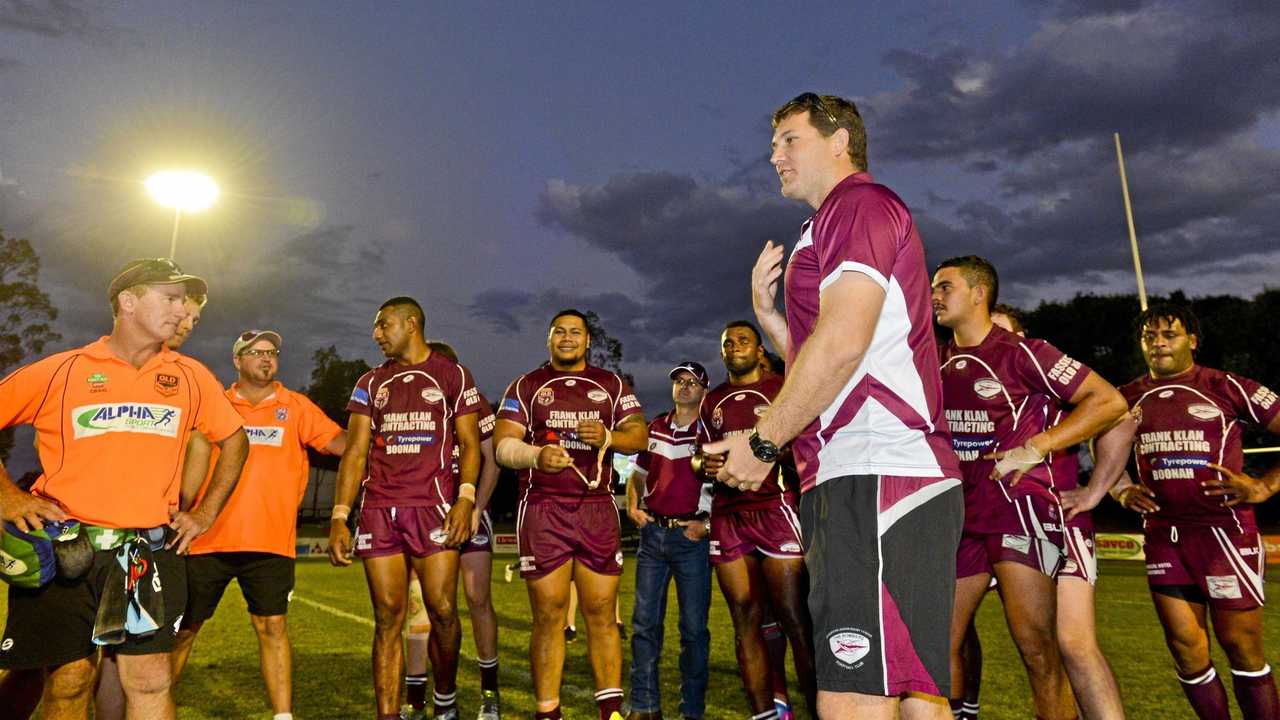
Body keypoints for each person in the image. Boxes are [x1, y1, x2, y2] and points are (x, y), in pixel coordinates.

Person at [710, 92, 963, 719]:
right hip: (873, 472)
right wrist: (772, 319)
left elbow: (846, 342)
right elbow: (834, 352)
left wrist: (764, 443)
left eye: (788, 139)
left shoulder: (858, 204)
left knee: (851, 691)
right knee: (911, 688)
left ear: (839, 141)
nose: (773, 156)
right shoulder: (826, 223)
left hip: (879, 469)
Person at [0, 257, 248, 720]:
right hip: (69, 549)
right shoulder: (64, 369)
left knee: (152, 680)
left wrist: (206, 513)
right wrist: (10, 497)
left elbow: (234, 440)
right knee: (70, 679)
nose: (181, 310)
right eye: (169, 297)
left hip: (148, 551)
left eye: (183, 300)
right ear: (128, 302)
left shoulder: (191, 376)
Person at [931, 256, 1128, 720]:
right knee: (936, 645)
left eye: (945, 286)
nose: (934, 295)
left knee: (1037, 649)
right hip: (960, 515)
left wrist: (1038, 446)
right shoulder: (934, 359)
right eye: (933, 288)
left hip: (1016, 510)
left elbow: (1110, 402)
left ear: (979, 294)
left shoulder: (1024, 352)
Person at [1103, 305, 1280, 718]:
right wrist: (1120, 488)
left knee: (1240, 645)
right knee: (1187, 651)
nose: (1159, 343)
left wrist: (1264, 486)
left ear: (1192, 341)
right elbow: (1101, 444)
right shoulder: (1126, 397)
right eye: (1150, 337)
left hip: (1223, 534)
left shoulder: (1225, 386)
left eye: (1170, 335)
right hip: (1164, 536)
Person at [170, 329, 346, 720]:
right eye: (255, 352)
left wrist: (386, 436)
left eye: (272, 352)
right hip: (205, 539)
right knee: (183, 631)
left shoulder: (295, 407)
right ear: (237, 360)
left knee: (272, 628)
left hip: (269, 543)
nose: (266, 359)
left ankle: (283, 716)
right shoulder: (214, 405)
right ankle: (155, 706)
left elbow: (344, 445)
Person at [327, 297, 482, 720]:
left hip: (433, 508)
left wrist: (465, 499)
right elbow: (355, 452)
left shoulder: (452, 375)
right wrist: (341, 515)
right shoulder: (370, 381)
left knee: (444, 612)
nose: (377, 334)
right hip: (379, 510)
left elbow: (471, 445)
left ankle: (445, 701)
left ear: (411, 324)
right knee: (387, 618)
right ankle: (388, 715)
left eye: (384, 325)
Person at [493, 308, 647, 720]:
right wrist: (536, 455)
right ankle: (548, 713)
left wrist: (611, 435)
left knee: (601, 613)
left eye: (575, 332)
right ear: (548, 339)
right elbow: (503, 445)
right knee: (549, 615)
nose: (566, 338)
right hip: (543, 508)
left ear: (587, 341)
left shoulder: (611, 385)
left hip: (596, 509)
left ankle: (610, 712)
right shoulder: (526, 385)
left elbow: (640, 435)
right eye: (558, 331)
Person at [698, 322, 815, 719]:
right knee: (745, 617)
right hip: (728, 515)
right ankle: (764, 713)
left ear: (760, 349)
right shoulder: (711, 400)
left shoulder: (782, 387)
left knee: (794, 617)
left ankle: (818, 707)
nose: (734, 347)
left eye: (743, 340)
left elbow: (803, 447)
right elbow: (701, 459)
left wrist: (763, 454)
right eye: (727, 342)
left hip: (775, 510)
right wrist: (707, 464)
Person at [624, 361, 713, 720]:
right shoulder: (656, 427)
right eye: (679, 381)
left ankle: (691, 710)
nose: (685, 387)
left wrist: (706, 526)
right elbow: (638, 474)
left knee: (693, 630)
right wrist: (632, 503)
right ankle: (645, 706)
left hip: (690, 538)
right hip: (653, 535)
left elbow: (728, 484)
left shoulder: (711, 433)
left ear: (704, 390)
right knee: (645, 625)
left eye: (692, 382)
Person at [420, 340, 503, 720]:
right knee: (426, 607)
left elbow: (492, 461)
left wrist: (476, 508)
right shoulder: (413, 399)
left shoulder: (474, 400)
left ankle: (489, 692)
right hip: (426, 515)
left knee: (477, 598)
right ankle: (417, 695)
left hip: (467, 511)